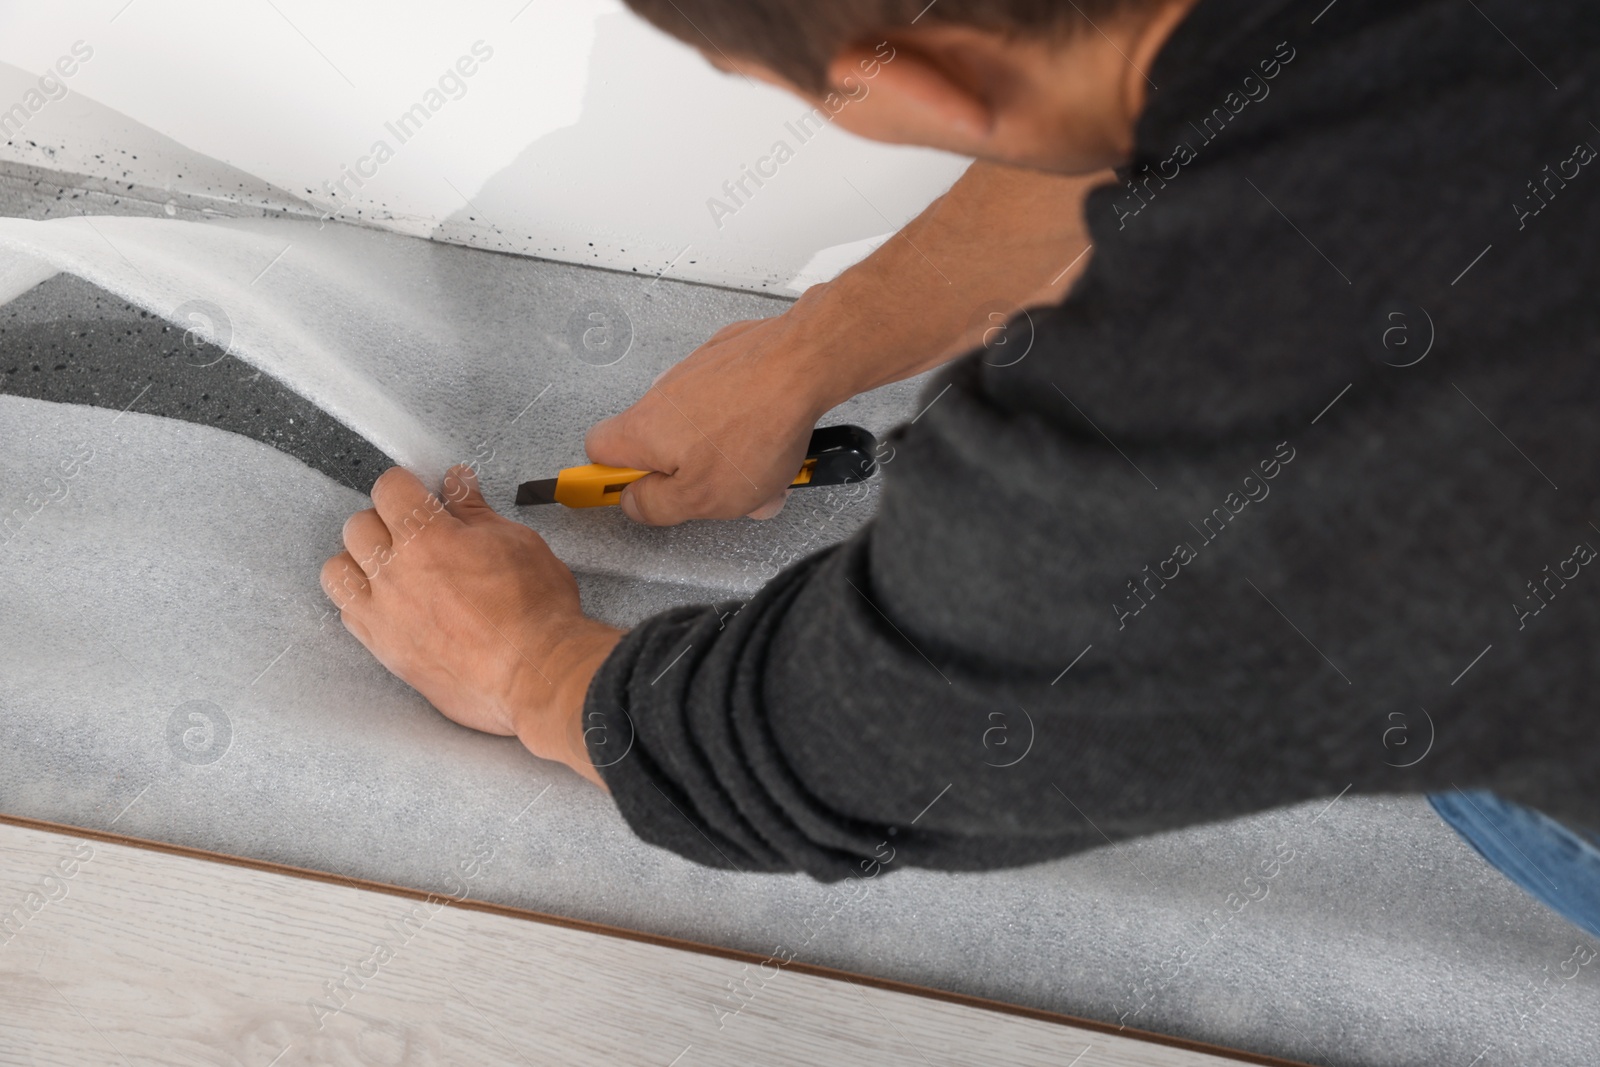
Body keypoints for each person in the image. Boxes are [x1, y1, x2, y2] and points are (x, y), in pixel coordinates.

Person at [321, 0, 1599, 929]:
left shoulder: (1198, 419)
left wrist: (534, 663)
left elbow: (837, 752)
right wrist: (818, 346)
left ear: (926, 82)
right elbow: (1210, 65)